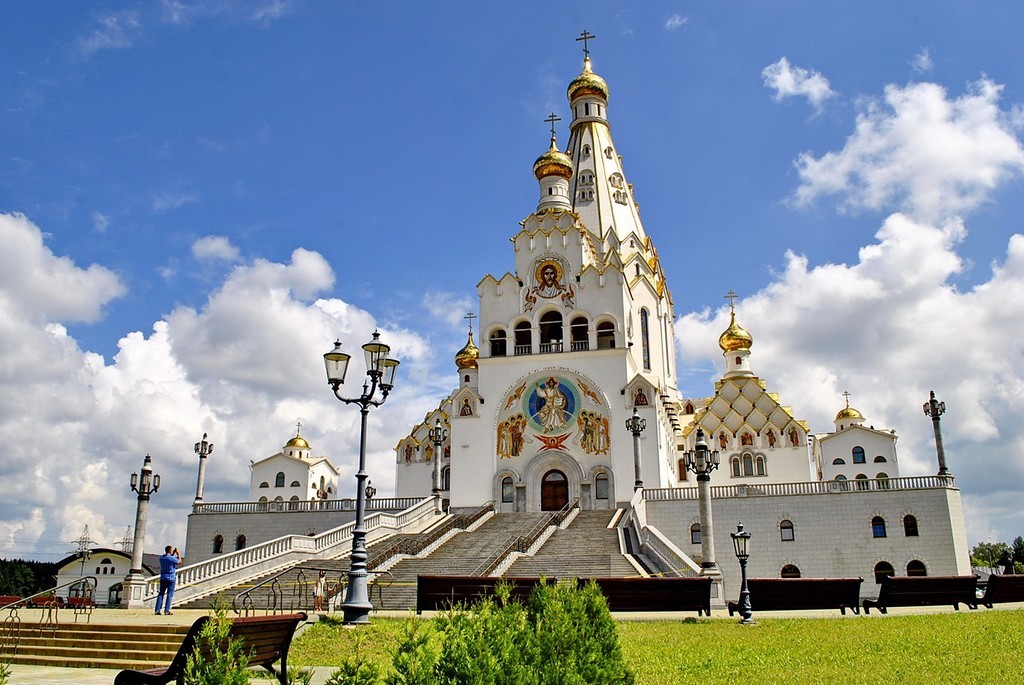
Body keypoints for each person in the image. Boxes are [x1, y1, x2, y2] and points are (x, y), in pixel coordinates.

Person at [155, 545, 182, 615]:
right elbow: (179, 562)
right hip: (171, 578)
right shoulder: (172, 558)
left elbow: (168, 557)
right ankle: (166, 610)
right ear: (170, 550)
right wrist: (178, 553)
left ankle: (157, 610)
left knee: (161, 594)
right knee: (169, 595)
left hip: (163, 577)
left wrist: (172, 553)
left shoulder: (161, 558)